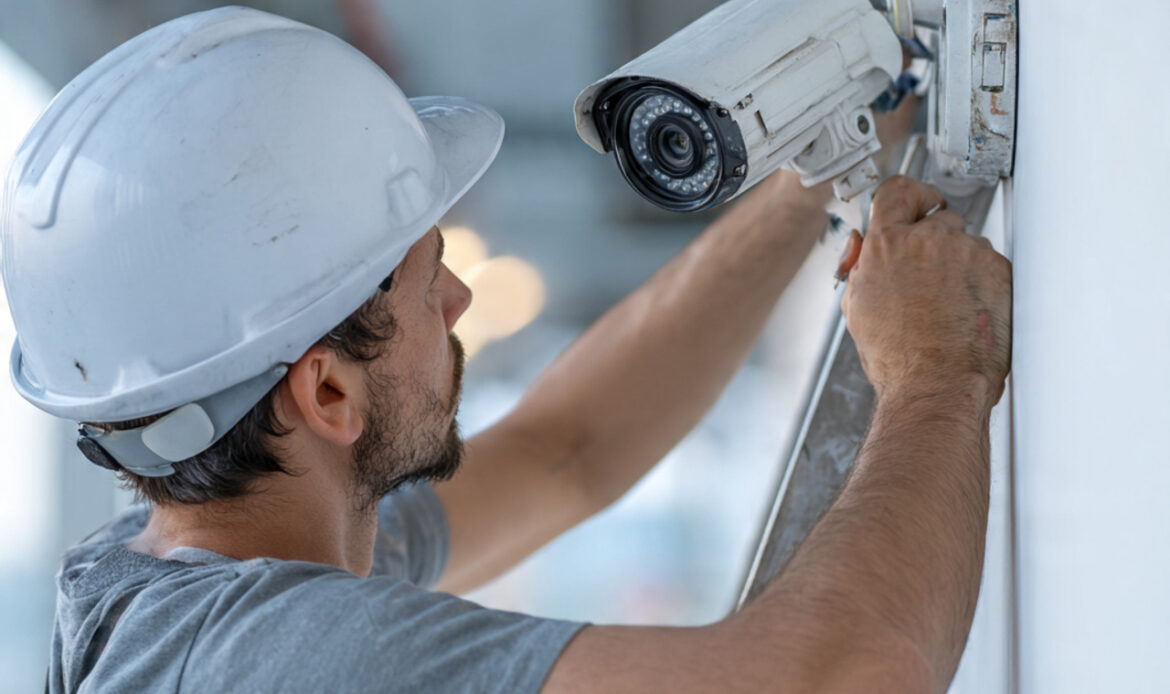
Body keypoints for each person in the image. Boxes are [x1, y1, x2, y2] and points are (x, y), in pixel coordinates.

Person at [3, 8, 1011, 694]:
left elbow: (568, 450)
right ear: (326, 389)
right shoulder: (276, 661)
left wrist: (816, 167)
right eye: (425, 274)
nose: (460, 296)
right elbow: (843, 674)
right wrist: (938, 370)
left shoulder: (188, 577)